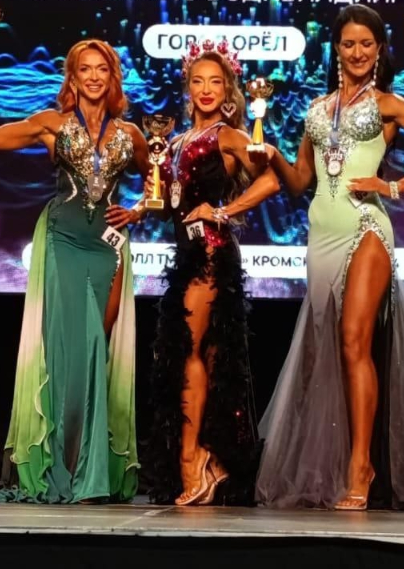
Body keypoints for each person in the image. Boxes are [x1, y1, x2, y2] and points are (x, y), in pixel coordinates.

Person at [254, 4, 404, 511]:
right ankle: (344, 461)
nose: (358, 52)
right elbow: (300, 182)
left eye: (367, 43)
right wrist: (271, 154)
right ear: (336, 49)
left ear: (380, 49)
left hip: (366, 225)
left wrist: (393, 186)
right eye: (349, 44)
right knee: (327, 353)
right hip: (322, 230)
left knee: (353, 342)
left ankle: (360, 466)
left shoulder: (388, 105)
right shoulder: (316, 110)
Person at [0, 39, 152, 504]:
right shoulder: (53, 124)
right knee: (69, 351)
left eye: (101, 69)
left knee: (98, 350)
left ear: (112, 77)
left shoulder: (131, 134)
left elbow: (159, 176)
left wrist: (138, 210)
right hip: (63, 242)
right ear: (72, 77)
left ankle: (92, 470)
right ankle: (63, 468)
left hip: (107, 249)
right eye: (84, 69)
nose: (93, 77)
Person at [134, 39, 280, 506]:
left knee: (191, 351)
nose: (206, 89)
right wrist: (150, 196)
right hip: (186, 255)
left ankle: (193, 459)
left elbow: (271, 178)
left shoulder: (226, 135)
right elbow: (169, 206)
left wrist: (223, 211)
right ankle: (210, 461)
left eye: (215, 81)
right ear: (187, 86)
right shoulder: (175, 141)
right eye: (198, 81)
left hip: (212, 254)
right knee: (200, 356)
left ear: (228, 88)